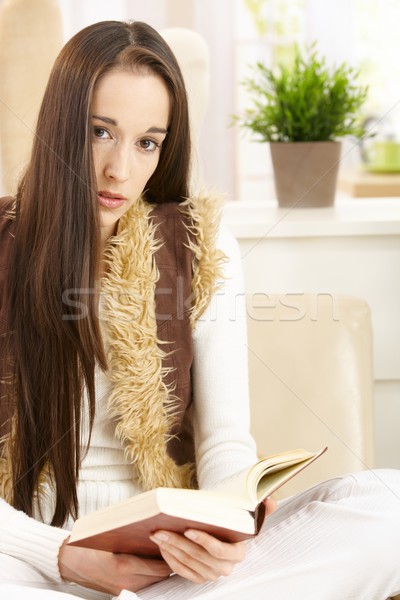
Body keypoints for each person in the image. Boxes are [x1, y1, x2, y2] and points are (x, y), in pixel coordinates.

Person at [0, 19, 399, 600]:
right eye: (99, 132)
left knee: (386, 508)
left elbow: (223, 441)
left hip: (169, 567)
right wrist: (60, 556)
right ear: (61, 126)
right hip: (27, 560)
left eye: (147, 142)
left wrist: (227, 525)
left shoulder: (201, 247)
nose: (121, 170)